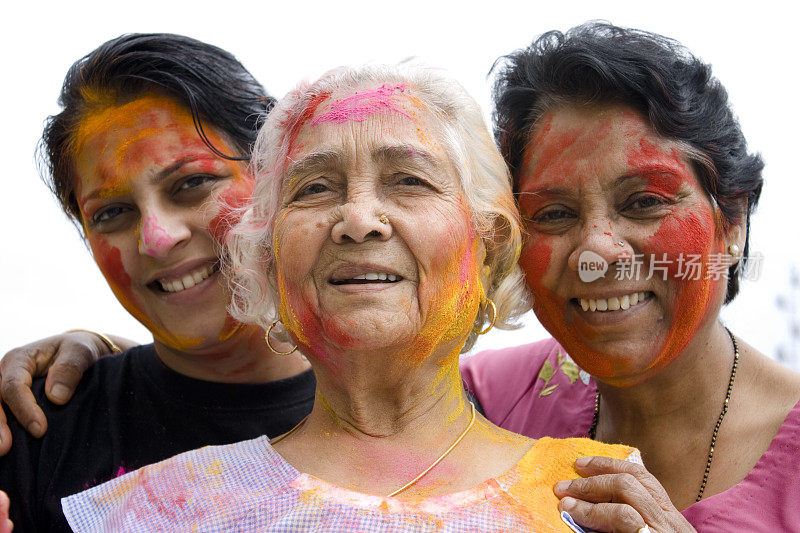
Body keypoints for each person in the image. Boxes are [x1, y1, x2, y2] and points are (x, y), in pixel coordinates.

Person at [60, 64, 640, 532]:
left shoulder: (601, 500)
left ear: (489, 249)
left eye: (409, 181)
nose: (358, 220)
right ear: (265, 263)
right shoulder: (148, 515)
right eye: (315, 188)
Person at [461, 22, 800, 531]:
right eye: (553, 214)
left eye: (644, 202)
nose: (597, 251)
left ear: (731, 223)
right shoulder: (486, 404)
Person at [0, 33, 314, 531]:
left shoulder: (439, 415)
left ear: (278, 169)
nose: (158, 238)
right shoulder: (32, 433)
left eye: (191, 184)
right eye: (113, 213)